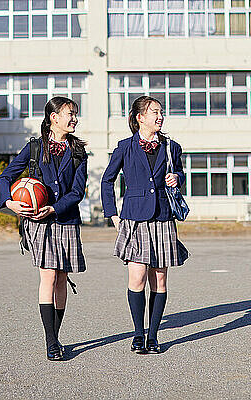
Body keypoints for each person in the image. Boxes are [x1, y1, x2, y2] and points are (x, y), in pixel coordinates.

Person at [0, 97, 87, 361]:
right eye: (70, 114)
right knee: (48, 276)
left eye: (75, 114)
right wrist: (10, 202)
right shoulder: (34, 148)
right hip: (39, 223)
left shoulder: (79, 152)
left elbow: (77, 192)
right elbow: (5, 177)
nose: (74, 119)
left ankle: (55, 336)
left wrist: (56, 208)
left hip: (66, 219)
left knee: (61, 279)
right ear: (53, 117)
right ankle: (51, 342)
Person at [101, 95, 189, 354]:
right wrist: (113, 215)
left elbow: (180, 173)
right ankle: (138, 335)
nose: (159, 116)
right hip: (135, 217)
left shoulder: (172, 146)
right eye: (154, 112)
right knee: (137, 277)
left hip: (163, 216)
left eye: (161, 112)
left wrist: (177, 177)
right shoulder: (124, 147)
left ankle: (153, 335)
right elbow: (107, 181)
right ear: (140, 117)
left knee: (159, 279)